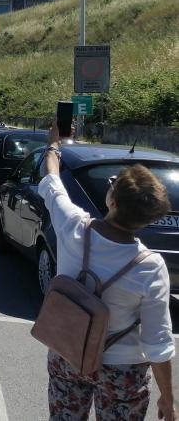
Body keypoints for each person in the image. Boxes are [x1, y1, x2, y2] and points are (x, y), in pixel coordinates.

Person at [40, 126, 175, 421]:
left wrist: (54, 144)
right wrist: (168, 397)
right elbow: (157, 341)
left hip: (68, 352)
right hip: (122, 371)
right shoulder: (150, 266)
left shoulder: (74, 226)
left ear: (112, 202)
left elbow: (52, 181)